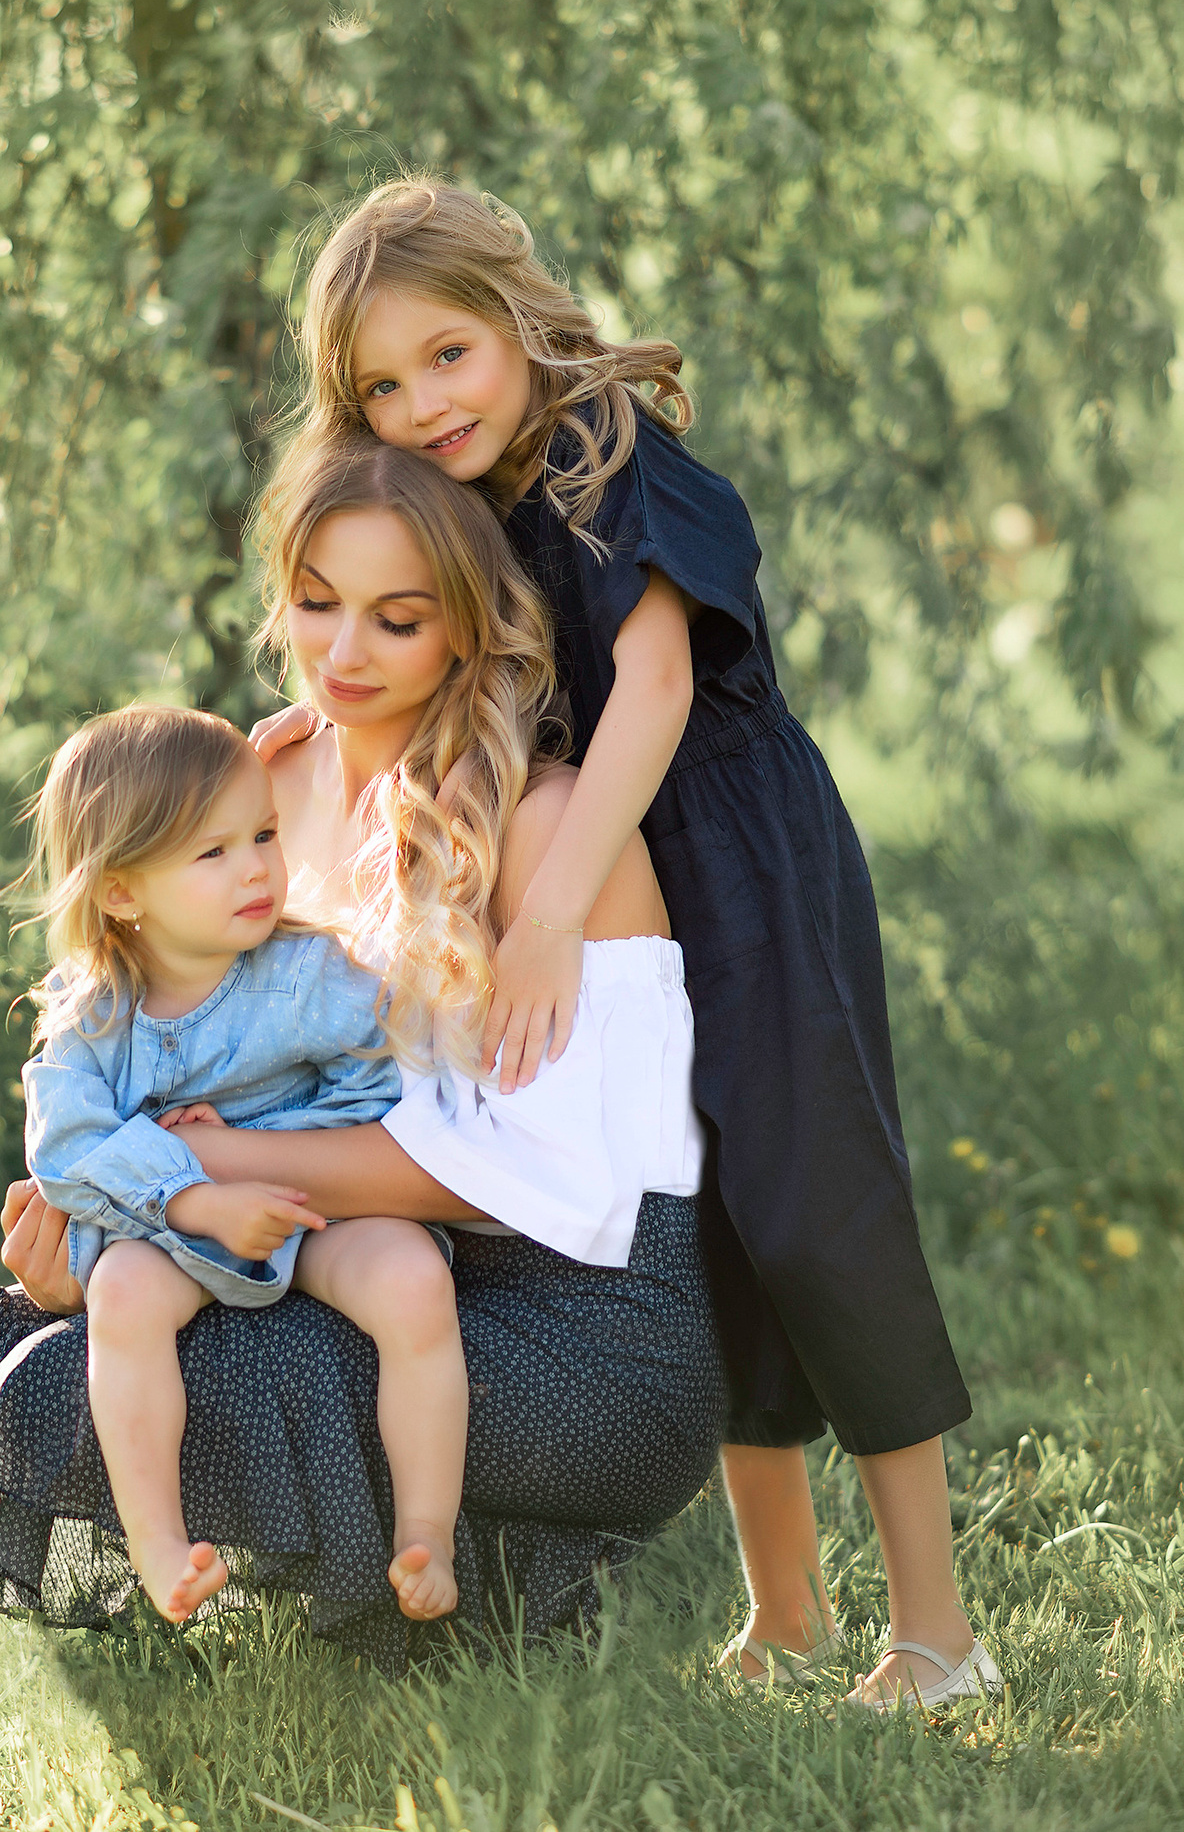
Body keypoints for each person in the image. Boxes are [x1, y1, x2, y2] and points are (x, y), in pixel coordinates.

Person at [256, 178, 999, 1712]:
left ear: (522, 317)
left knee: (813, 1210)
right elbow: (429, 653)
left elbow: (651, 693)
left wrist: (539, 916)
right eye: (381, 386)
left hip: (740, 856)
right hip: (620, 882)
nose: (421, 402)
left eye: (447, 354)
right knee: (704, 1224)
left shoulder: (613, 458)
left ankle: (939, 1630)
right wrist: (328, 736)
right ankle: (782, 1616)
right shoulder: (466, 505)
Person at [0, 437, 724, 1676]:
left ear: (463, 629)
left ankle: (452, 1571)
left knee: (81, 1381)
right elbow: (158, 1038)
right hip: (356, 1255)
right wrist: (120, 1217)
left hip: (584, 1322)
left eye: (395, 620)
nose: (342, 654)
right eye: (314, 604)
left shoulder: (549, 827)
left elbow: (547, 1182)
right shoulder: (264, 780)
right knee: (34, 1337)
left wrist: (213, 1167)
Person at [17, 703, 466, 1624]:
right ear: (122, 893)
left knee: (416, 1280)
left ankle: (429, 1534)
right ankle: (159, 1544)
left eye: (263, 833)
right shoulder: (91, 1011)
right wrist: (192, 1197)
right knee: (123, 1300)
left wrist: (273, 1143)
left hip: (314, 1211)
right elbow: (67, 1146)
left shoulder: (308, 973)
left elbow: (386, 1085)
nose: (257, 866)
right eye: (211, 853)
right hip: (170, 1232)